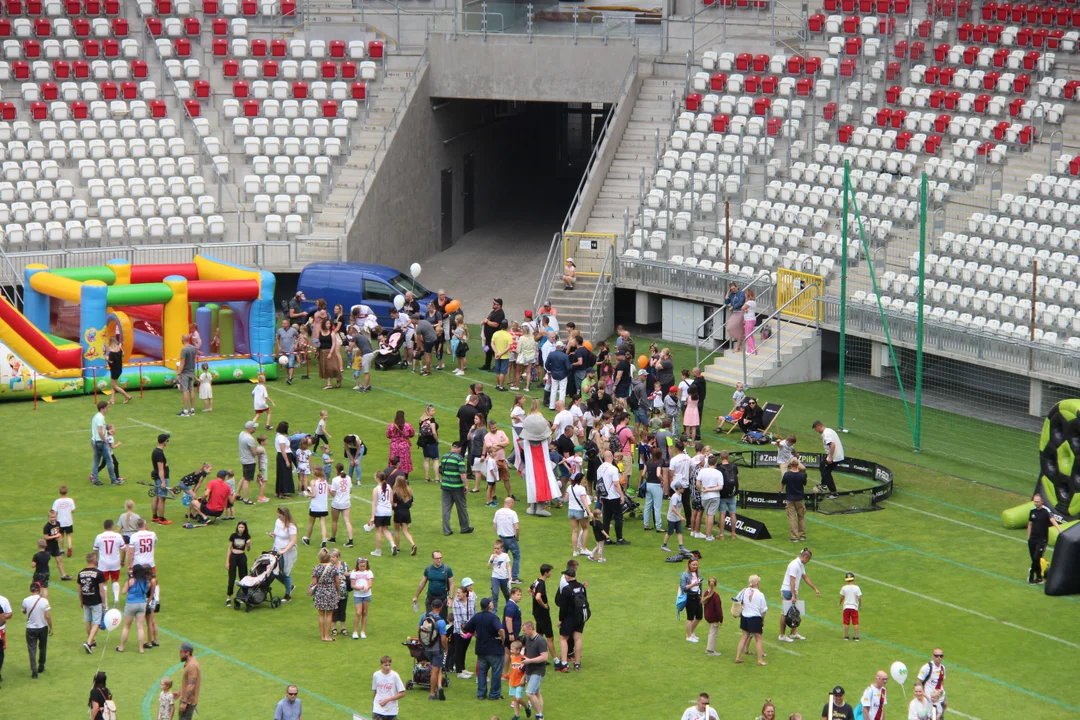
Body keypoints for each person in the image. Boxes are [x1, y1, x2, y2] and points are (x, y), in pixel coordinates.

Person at [464, 596, 506, 700]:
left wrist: (475, 634)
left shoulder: (476, 616)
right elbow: (501, 630)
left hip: (481, 649)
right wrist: (503, 639)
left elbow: (465, 628)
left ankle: (481, 694)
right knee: (496, 672)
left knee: (482, 672)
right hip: (494, 649)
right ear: (490, 606)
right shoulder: (493, 617)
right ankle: (494, 695)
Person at [779, 548, 820, 642]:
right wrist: (793, 595)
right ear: (805, 557)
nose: (808, 562)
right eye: (808, 560)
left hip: (793, 591)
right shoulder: (794, 565)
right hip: (788, 590)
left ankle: (793, 633)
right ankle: (782, 635)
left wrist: (815, 588)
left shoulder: (800, 565)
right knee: (785, 613)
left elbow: (805, 577)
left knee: (795, 612)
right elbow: (791, 580)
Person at [555, 567, 589, 672]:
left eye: (565, 575)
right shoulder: (581, 587)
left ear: (568, 576)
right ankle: (577, 663)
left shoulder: (566, 589)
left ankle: (564, 664)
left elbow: (563, 607)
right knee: (578, 638)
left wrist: (560, 620)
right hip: (580, 617)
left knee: (563, 638)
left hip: (569, 617)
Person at [116, 563, 152, 653]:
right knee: (140, 627)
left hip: (131, 604)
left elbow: (123, 592)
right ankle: (141, 649)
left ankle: (121, 647)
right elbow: (147, 589)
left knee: (127, 626)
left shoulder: (130, 581)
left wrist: (127, 583)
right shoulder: (146, 581)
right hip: (142, 604)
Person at [439, 441, 473, 536]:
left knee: (446, 508)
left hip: (445, 486)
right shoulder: (459, 458)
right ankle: (465, 527)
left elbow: (440, 470)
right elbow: (462, 473)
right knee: (462, 507)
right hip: (457, 487)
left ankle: (446, 530)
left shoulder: (444, 456)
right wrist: (466, 485)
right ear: (458, 448)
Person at [734, 574, 767, 666]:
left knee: (744, 637)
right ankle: (760, 660)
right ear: (758, 583)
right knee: (759, 638)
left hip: (745, 617)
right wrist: (762, 620)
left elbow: (736, 599)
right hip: (755, 618)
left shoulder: (744, 590)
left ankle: (738, 657)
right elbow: (763, 610)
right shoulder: (760, 594)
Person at [597, 450, 629, 546]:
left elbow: (599, 483)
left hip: (605, 495)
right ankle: (619, 538)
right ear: (611, 457)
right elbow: (616, 484)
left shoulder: (599, 468)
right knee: (618, 517)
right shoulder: (613, 469)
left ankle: (606, 538)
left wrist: (601, 495)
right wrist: (622, 496)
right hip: (613, 496)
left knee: (606, 519)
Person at [1027, 493, 1060, 584]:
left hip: (1042, 540)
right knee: (1035, 559)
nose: (1036, 503)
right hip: (1032, 539)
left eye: (1037, 502)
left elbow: (1052, 520)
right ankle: (1039, 578)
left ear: (1042, 501)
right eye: (1035, 502)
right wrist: (1028, 537)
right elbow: (1030, 524)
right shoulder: (1032, 511)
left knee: (1036, 557)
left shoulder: (1046, 511)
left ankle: (1031, 576)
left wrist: (1060, 530)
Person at [418, 598, 448, 700]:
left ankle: (439, 686)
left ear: (431, 606)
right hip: (437, 649)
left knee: (437, 668)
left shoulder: (424, 616)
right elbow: (443, 639)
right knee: (435, 670)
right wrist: (446, 649)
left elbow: (419, 630)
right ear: (441, 608)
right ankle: (432, 693)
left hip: (427, 648)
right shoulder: (441, 622)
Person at [309, 548, 340, 642]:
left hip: (320, 592)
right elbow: (337, 581)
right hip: (331, 592)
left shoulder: (316, 568)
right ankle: (327, 636)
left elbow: (314, 582)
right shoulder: (333, 568)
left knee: (321, 614)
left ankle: (322, 636)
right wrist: (338, 591)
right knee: (329, 614)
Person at [78, 552, 107, 654]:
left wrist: (81, 600)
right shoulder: (98, 573)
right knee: (97, 622)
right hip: (96, 600)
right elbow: (101, 590)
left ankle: (92, 642)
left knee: (87, 621)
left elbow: (79, 589)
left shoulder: (81, 573)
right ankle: (89, 642)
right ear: (94, 560)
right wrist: (104, 602)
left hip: (86, 599)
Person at [22, 581, 52, 678]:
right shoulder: (44, 601)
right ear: (39, 590)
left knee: (32, 649)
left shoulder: (26, 600)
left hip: (30, 628)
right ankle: (41, 665)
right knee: (42, 647)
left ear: (30, 590)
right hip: (42, 627)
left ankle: (34, 670)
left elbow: (23, 611)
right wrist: (51, 627)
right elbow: (47, 616)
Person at [414, 550, 454, 618]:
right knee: (430, 621)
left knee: (442, 620)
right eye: (437, 558)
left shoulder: (447, 569)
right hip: (430, 599)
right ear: (433, 559)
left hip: (442, 600)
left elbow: (451, 584)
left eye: (440, 558)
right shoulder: (428, 569)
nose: (439, 560)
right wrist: (416, 596)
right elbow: (422, 584)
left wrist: (450, 598)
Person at [449, 581, 476, 678]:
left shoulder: (472, 601)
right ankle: (459, 671)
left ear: (465, 593)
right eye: (457, 593)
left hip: (468, 630)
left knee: (464, 649)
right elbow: (457, 618)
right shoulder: (456, 603)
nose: (457, 595)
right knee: (459, 650)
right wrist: (461, 632)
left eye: (459, 593)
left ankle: (463, 668)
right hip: (459, 630)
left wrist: (472, 629)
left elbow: (474, 615)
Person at [521, 620, 548, 720]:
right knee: (537, 693)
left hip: (538, 670)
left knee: (529, 693)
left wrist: (530, 661)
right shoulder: (528, 639)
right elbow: (527, 656)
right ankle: (541, 714)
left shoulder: (540, 641)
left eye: (525, 630)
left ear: (530, 629)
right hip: (529, 670)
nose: (524, 632)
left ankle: (539, 715)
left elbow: (544, 657)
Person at [271, 506, 298, 602]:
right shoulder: (278, 521)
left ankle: (287, 595)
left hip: (287, 552)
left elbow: (293, 541)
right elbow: (277, 532)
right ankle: (289, 586)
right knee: (274, 570)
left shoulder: (291, 526)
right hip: (277, 549)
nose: (280, 518)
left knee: (286, 572)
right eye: (278, 515)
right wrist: (274, 534)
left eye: (281, 516)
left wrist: (284, 550)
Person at [90, 401, 120, 486]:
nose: (108, 409)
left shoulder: (96, 416)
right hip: (100, 442)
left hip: (94, 440)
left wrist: (106, 431)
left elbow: (98, 430)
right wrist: (105, 440)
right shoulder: (100, 418)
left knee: (96, 461)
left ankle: (95, 480)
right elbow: (100, 431)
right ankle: (113, 480)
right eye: (107, 407)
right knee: (109, 460)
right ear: (102, 409)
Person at [494, 497, 522, 583]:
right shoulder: (512, 513)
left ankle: (501, 575)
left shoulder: (498, 512)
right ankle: (514, 577)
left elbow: (494, 525)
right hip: (510, 538)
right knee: (516, 557)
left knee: (503, 557)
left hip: (502, 538)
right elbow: (517, 528)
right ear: (510, 503)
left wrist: (499, 533)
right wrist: (517, 537)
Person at [697, 455, 725, 542]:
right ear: (716, 463)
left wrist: (703, 489)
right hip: (714, 496)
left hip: (705, 496)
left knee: (707, 514)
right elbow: (720, 487)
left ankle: (708, 534)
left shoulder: (702, 471)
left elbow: (697, 484)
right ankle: (708, 535)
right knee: (711, 515)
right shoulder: (718, 473)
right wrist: (710, 489)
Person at [813, 420, 845, 496]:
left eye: (815, 429)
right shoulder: (829, 430)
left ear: (818, 427)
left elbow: (832, 445)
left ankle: (834, 493)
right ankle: (824, 485)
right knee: (822, 465)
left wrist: (830, 457)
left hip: (835, 457)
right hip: (836, 455)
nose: (816, 431)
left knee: (826, 473)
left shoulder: (826, 434)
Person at [781, 459, 809, 543]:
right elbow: (805, 484)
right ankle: (802, 535)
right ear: (798, 465)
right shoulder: (802, 475)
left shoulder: (787, 474)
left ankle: (794, 537)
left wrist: (781, 491)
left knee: (792, 518)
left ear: (790, 465)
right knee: (801, 517)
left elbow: (782, 483)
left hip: (790, 499)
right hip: (800, 498)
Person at [225, 521, 251, 607]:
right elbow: (229, 548)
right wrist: (227, 561)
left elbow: (248, 549)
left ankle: (244, 596)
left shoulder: (247, 536)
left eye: (242, 527)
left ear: (245, 528)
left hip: (242, 557)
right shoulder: (233, 536)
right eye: (239, 527)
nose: (240, 529)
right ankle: (228, 597)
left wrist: (248, 544)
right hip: (233, 557)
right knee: (231, 578)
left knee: (243, 577)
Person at [329, 464, 354, 548]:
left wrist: (329, 490)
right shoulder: (348, 478)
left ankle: (333, 538)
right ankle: (350, 540)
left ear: (336, 469)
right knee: (347, 521)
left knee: (334, 521)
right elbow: (350, 491)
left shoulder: (335, 479)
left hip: (336, 503)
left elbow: (333, 493)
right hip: (346, 503)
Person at [916, 648, 948, 716]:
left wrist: (945, 699)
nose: (939, 657)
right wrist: (922, 695)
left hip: (940, 700)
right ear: (933, 656)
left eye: (941, 656)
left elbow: (942, 683)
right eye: (936, 655)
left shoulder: (943, 668)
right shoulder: (927, 667)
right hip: (930, 701)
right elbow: (919, 682)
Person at [42, 510, 71, 582]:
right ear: (48, 517)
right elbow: (46, 537)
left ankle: (63, 575)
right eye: (51, 517)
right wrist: (55, 536)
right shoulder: (47, 526)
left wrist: (59, 537)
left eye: (54, 517)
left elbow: (59, 533)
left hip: (55, 546)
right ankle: (45, 578)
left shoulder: (58, 523)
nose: (53, 519)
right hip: (48, 546)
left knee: (59, 560)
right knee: (45, 563)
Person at [717, 451, 739, 540]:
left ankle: (721, 534)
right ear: (728, 458)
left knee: (722, 513)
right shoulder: (734, 467)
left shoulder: (719, 468)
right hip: (732, 493)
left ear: (720, 458)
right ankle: (733, 533)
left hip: (723, 494)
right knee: (732, 514)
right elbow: (737, 477)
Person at [680, 558, 704, 643]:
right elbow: (683, 588)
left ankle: (691, 632)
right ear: (689, 564)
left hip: (697, 597)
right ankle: (688, 635)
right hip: (690, 597)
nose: (695, 566)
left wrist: (701, 597)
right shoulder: (685, 575)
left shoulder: (698, 574)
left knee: (699, 616)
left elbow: (700, 586)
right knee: (690, 617)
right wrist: (693, 584)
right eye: (693, 565)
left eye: (696, 565)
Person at [349, 557, 374, 639]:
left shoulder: (369, 572)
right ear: (358, 565)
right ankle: (355, 631)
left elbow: (370, 583)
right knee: (358, 613)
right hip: (358, 595)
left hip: (367, 595)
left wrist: (367, 587)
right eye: (361, 566)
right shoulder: (354, 572)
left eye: (364, 566)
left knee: (365, 612)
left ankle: (363, 631)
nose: (362, 568)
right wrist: (360, 588)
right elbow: (352, 585)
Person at [385, 410, 415, 478]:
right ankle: (405, 478)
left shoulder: (391, 426)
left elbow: (388, 435)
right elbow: (412, 434)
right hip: (404, 447)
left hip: (394, 447)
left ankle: (393, 476)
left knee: (394, 461)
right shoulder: (407, 426)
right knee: (405, 462)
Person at [176, 643, 201, 720]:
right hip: (187, 700)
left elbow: (191, 686)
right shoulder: (190, 663)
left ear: (187, 653)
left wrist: (184, 702)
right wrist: (179, 692)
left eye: (181, 652)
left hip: (188, 702)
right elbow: (187, 683)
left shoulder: (192, 666)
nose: (180, 654)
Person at [544, 341, 572, 410]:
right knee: (562, 391)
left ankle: (552, 406)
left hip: (554, 374)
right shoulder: (565, 356)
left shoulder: (551, 354)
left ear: (555, 347)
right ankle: (561, 406)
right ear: (562, 347)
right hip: (563, 375)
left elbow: (546, 365)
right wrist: (566, 373)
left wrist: (551, 369)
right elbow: (568, 367)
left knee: (553, 390)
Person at [702, 577, 724, 657]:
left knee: (711, 632)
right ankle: (710, 650)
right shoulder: (716, 596)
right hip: (714, 618)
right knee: (713, 633)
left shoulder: (706, 593)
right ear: (716, 585)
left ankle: (709, 648)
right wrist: (721, 619)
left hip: (707, 616)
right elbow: (718, 609)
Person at [176, 334, 197, 417]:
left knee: (184, 390)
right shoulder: (193, 348)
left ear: (183, 340)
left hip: (185, 372)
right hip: (192, 371)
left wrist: (178, 374)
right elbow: (194, 360)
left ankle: (185, 410)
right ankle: (192, 409)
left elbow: (182, 363)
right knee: (191, 389)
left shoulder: (184, 349)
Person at [276, 317, 300, 384]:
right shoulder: (280, 330)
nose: (283, 324)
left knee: (291, 364)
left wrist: (296, 345)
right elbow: (277, 338)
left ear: (288, 324)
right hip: (284, 351)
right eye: (282, 323)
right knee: (286, 365)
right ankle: (290, 377)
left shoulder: (293, 330)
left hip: (291, 350)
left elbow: (298, 337)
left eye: (284, 323)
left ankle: (290, 378)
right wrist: (279, 346)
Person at [274, 422, 296, 499]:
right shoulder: (281, 438)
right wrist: (287, 460)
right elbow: (282, 449)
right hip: (284, 456)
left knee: (281, 474)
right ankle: (282, 493)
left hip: (282, 456)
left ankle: (279, 491)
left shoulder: (279, 436)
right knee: (284, 474)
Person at [839, 571, 862, 641]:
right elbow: (859, 598)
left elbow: (842, 597)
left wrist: (839, 603)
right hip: (854, 607)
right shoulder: (856, 588)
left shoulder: (844, 588)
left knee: (846, 622)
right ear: (853, 579)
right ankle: (856, 637)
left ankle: (846, 636)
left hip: (846, 607)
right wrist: (860, 605)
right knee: (855, 622)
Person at [508, 639, 527, 720]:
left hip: (520, 681)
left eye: (512, 649)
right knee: (515, 699)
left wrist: (523, 678)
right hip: (513, 680)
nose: (511, 651)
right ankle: (516, 715)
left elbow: (527, 670)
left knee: (518, 698)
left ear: (518, 650)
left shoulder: (523, 658)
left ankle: (527, 707)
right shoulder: (512, 657)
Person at [725, 282, 746, 352]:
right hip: (734, 313)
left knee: (739, 329)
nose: (733, 290)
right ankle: (740, 339)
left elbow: (741, 302)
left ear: (736, 287)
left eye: (734, 288)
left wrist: (733, 307)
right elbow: (726, 302)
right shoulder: (731, 294)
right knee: (729, 327)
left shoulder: (741, 293)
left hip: (740, 312)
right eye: (732, 289)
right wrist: (728, 292)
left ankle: (738, 346)